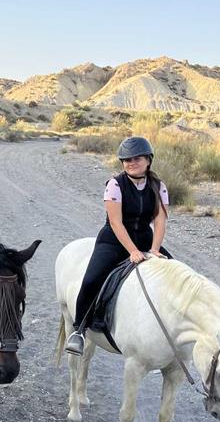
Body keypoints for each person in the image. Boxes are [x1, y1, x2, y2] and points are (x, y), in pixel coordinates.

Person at [65, 136, 173, 355]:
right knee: (91, 279)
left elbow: (160, 220)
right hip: (114, 239)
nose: (131, 163)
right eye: (126, 160)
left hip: (144, 237)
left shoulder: (158, 186)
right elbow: (115, 221)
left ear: (148, 160)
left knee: (174, 271)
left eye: (137, 158)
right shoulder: (115, 184)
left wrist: (154, 249)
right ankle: (79, 330)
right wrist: (132, 251)